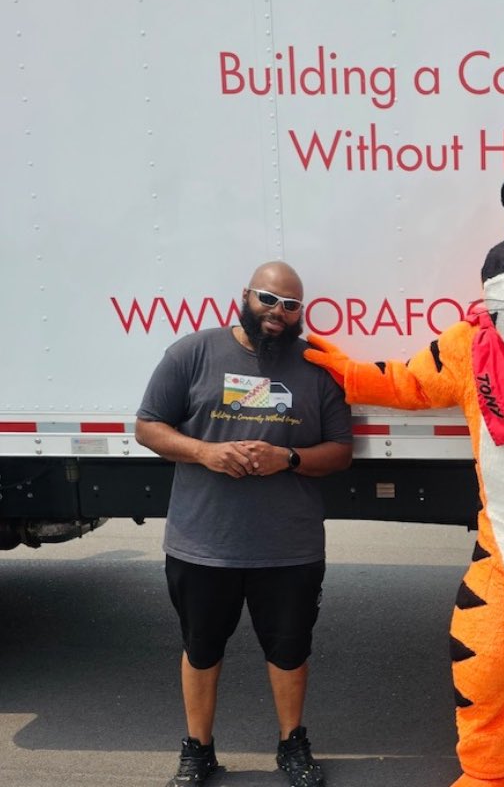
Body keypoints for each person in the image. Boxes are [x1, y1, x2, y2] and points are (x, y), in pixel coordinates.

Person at [135, 261, 354, 787]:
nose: (277, 312)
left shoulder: (317, 367)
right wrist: (205, 452)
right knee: (201, 649)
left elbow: (341, 452)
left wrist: (291, 459)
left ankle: (292, 745)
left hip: (289, 547)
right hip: (203, 544)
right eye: (267, 299)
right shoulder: (193, 353)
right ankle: (198, 751)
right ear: (245, 297)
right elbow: (147, 427)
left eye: (289, 305)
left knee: (290, 651)